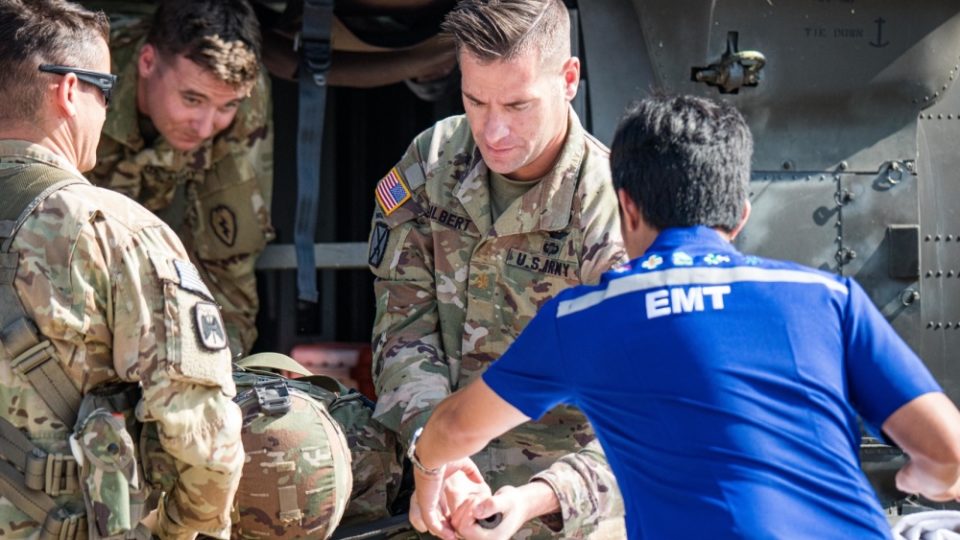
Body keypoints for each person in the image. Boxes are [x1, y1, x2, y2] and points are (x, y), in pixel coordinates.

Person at [408, 94, 960, 539]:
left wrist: (431, 472)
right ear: (740, 215)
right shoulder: (827, 298)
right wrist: (924, 477)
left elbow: (454, 428)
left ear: (626, 205)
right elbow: (948, 452)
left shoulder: (584, 317)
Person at [368, 0, 626, 537]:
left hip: (570, 506)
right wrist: (434, 453)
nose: (494, 131)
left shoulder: (613, 210)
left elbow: (648, 414)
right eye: (475, 100)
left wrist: (540, 498)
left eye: (518, 105)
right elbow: (403, 331)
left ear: (569, 78)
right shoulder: (433, 162)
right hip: (436, 485)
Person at [0, 0, 244, 538]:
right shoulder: (116, 231)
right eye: (103, 91)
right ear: (68, 92)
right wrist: (181, 531)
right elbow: (200, 434)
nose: (107, 110)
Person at [88, 0, 273, 356]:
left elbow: (229, 263)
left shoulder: (241, 92)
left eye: (226, 107)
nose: (206, 127)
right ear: (147, 62)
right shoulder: (81, 81)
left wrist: (218, 376)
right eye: (192, 99)